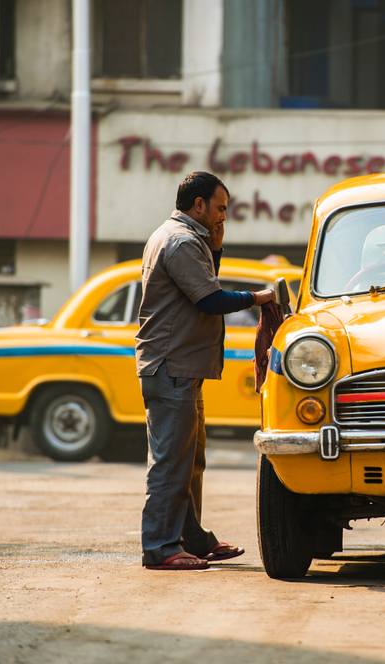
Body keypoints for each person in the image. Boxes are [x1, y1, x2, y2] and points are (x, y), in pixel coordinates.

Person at [135, 171, 274, 570]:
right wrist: (258, 296)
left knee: (190, 461)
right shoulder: (179, 242)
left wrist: (216, 246)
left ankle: (191, 539)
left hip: (182, 367)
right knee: (171, 462)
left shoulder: (186, 238)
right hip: (171, 366)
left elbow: (203, 282)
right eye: (220, 208)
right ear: (199, 205)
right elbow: (210, 299)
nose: (222, 217)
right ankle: (160, 547)